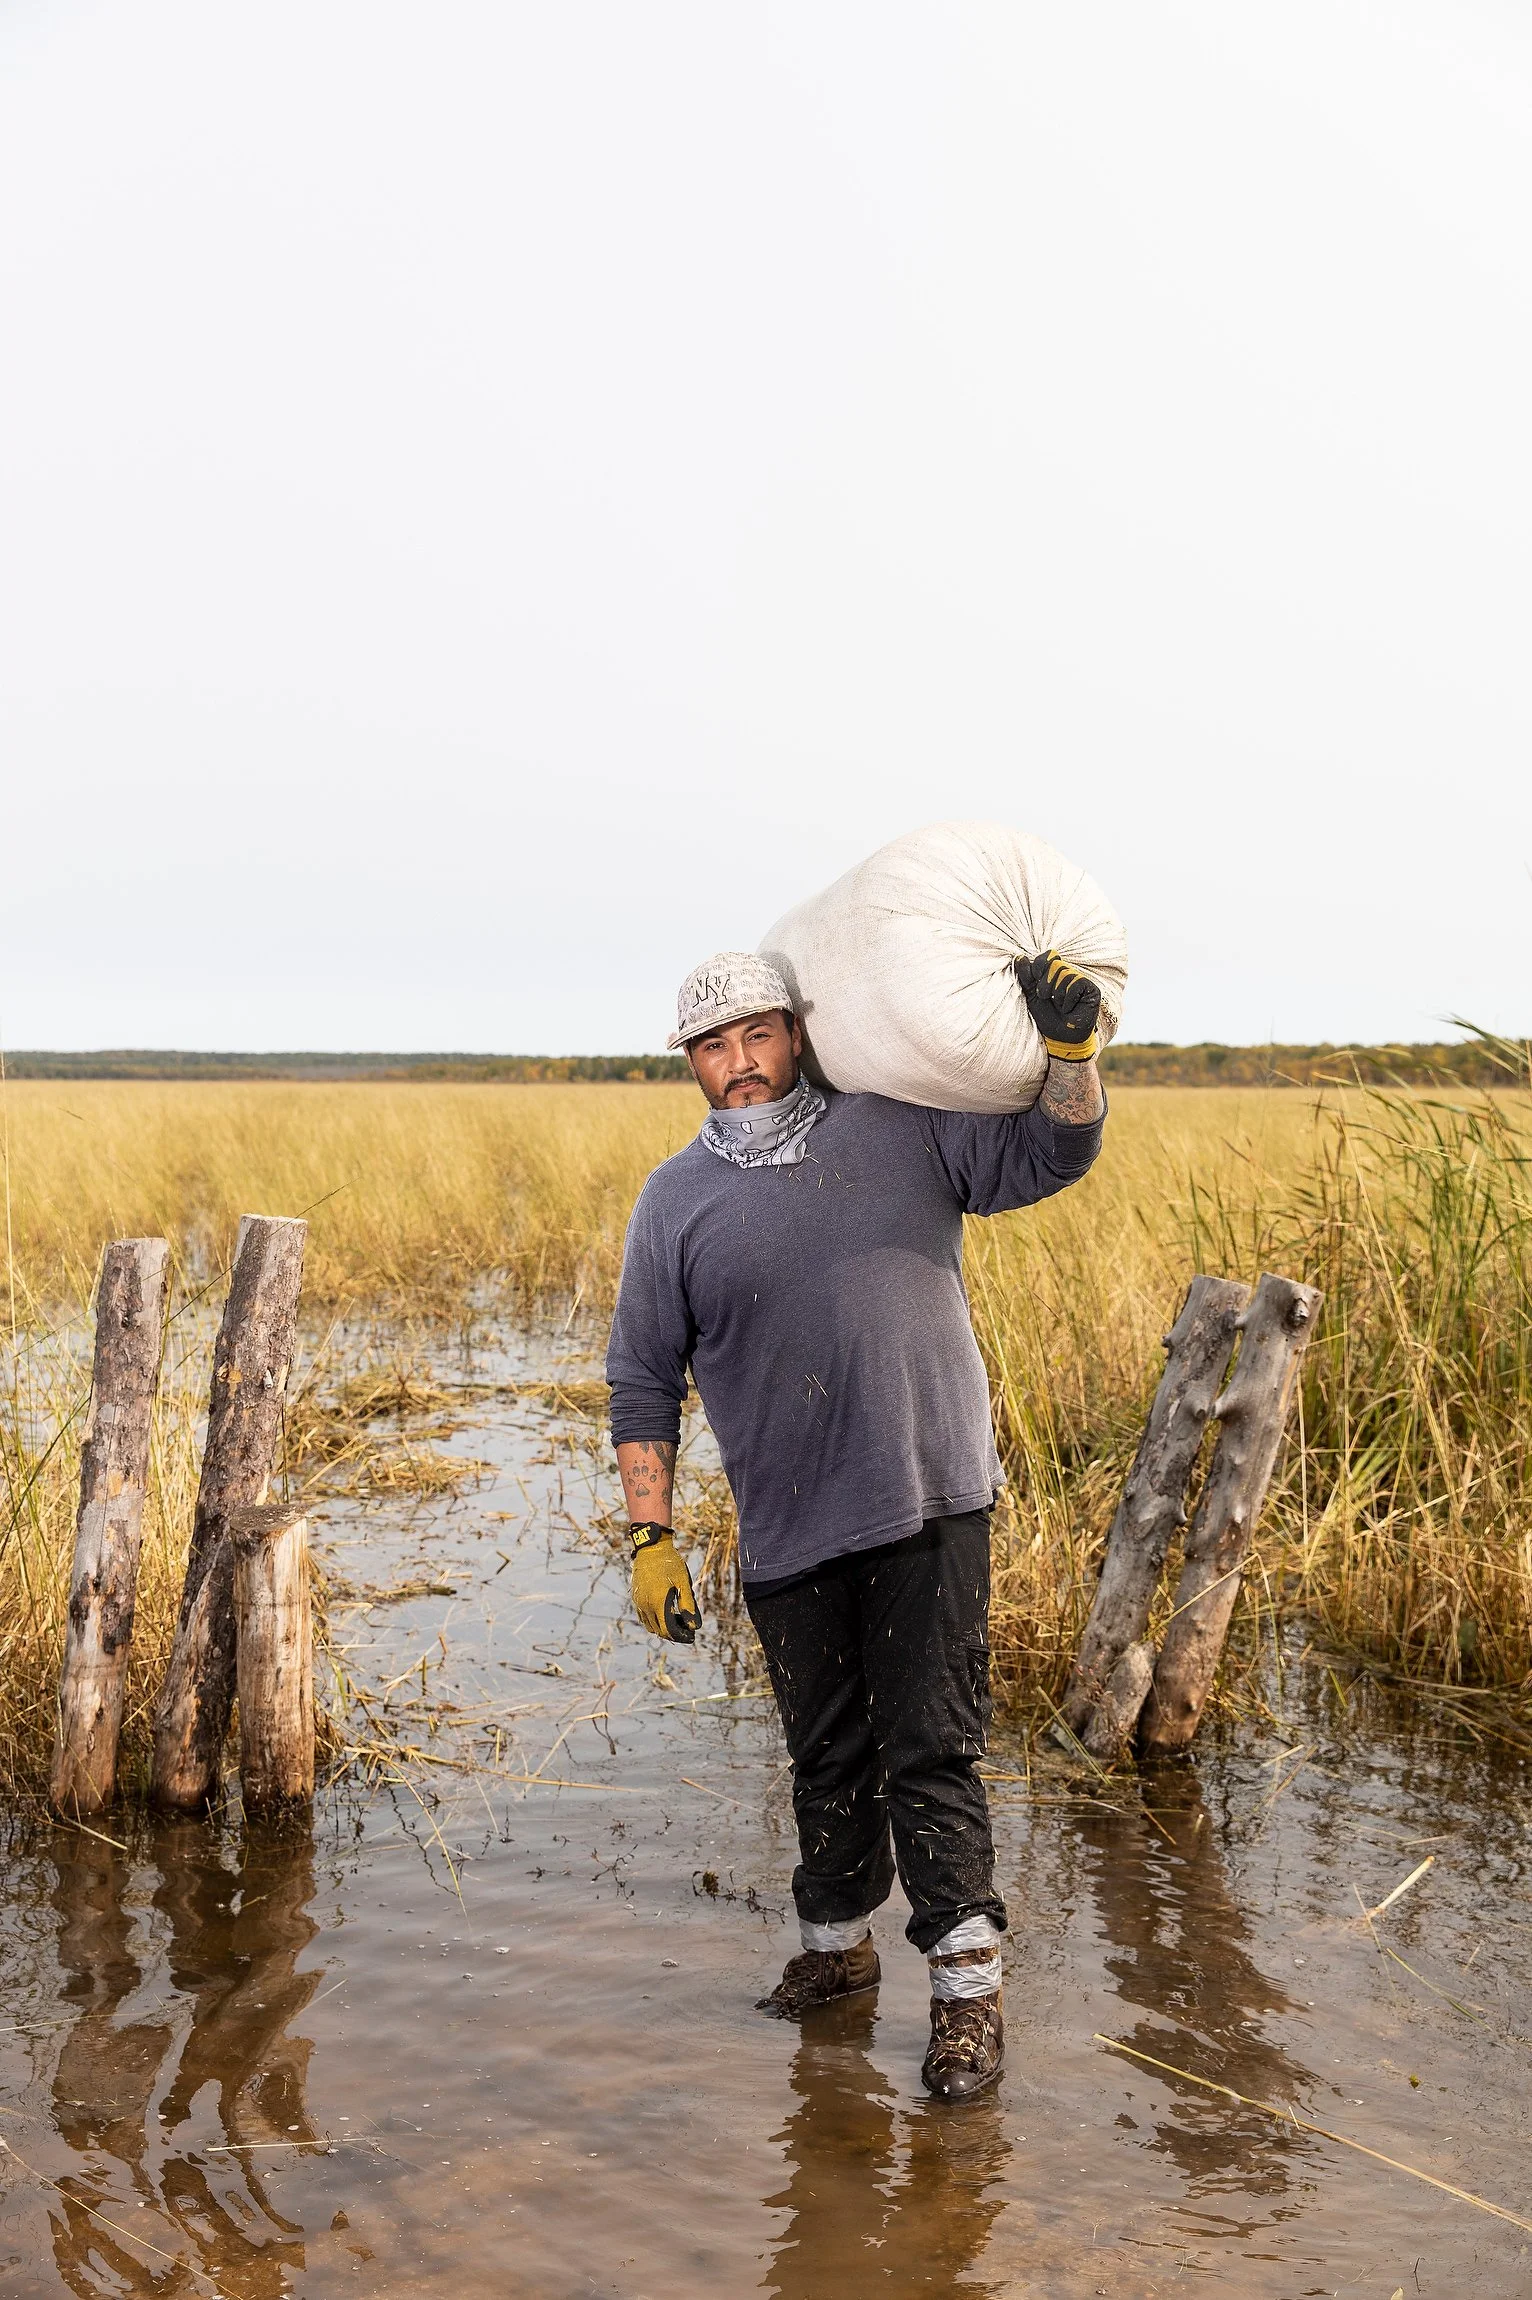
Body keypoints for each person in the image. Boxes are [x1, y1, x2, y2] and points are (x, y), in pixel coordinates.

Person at [606, 948, 1106, 2098]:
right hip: (785, 1525)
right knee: (825, 1755)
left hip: (926, 1496)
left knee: (930, 1749)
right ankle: (835, 1955)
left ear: (796, 1031)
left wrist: (1070, 1052)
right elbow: (642, 1376)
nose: (739, 1062)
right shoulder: (673, 1199)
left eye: (756, 1034)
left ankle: (967, 1997)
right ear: (689, 1062)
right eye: (712, 1045)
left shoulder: (898, 1125)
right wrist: (650, 1536)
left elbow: (1052, 1149)